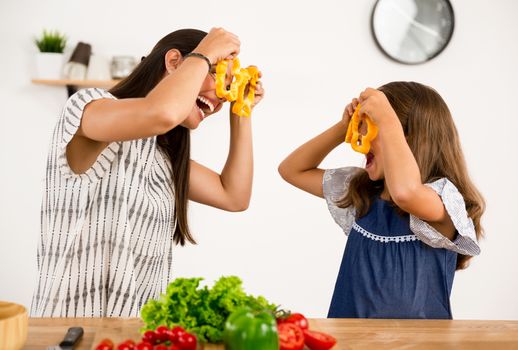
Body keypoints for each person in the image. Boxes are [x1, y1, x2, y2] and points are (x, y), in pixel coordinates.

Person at [31, 28, 264, 317]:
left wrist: (242, 110)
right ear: (175, 61)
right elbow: (161, 113)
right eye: (216, 76)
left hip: (136, 333)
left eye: (227, 89)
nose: (220, 97)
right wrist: (205, 53)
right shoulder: (88, 108)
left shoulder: (162, 157)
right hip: (72, 331)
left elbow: (234, 196)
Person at [278, 81, 484, 319]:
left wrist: (387, 121)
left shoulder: (440, 200)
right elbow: (292, 170)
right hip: (352, 341)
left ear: (407, 140)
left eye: (372, 130)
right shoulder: (361, 192)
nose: (361, 140)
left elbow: (405, 193)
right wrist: (345, 127)